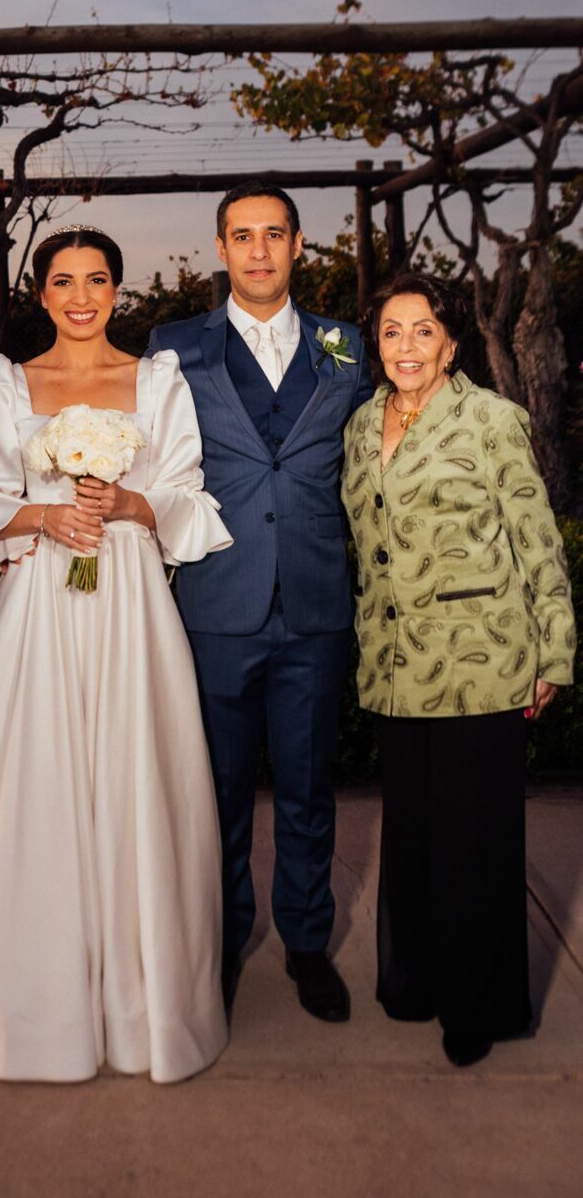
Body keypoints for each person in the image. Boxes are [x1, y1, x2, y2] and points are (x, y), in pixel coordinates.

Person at [0, 226, 232, 1084]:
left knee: (133, 773)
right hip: (40, 599)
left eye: (95, 281)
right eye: (62, 281)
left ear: (116, 291)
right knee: (37, 774)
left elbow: (187, 491)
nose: (79, 297)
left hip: (129, 598)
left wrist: (127, 504)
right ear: (40, 293)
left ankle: (139, 999)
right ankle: (33, 999)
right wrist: (43, 517)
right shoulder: (8, 382)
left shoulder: (157, 380)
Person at [148, 182, 373, 1022]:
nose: (257, 251)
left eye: (272, 234)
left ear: (297, 244)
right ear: (220, 248)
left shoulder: (343, 343)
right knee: (216, 791)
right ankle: (218, 942)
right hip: (217, 600)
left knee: (309, 788)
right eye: (241, 236)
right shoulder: (176, 345)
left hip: (314, 602)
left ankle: (307, 944)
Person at [342, 270, 576, 1068]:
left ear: (449, 343)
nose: (405, 346)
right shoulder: (361, 423)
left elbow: (535, 539)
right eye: (391, 332)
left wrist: (553, 649)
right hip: (395, 665)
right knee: (412, 839)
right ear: (376, 346)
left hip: (482, 659)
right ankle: (414, 983)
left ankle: (477, 1006)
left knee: (474, 843)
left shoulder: (490, 420)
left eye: (422, 330)